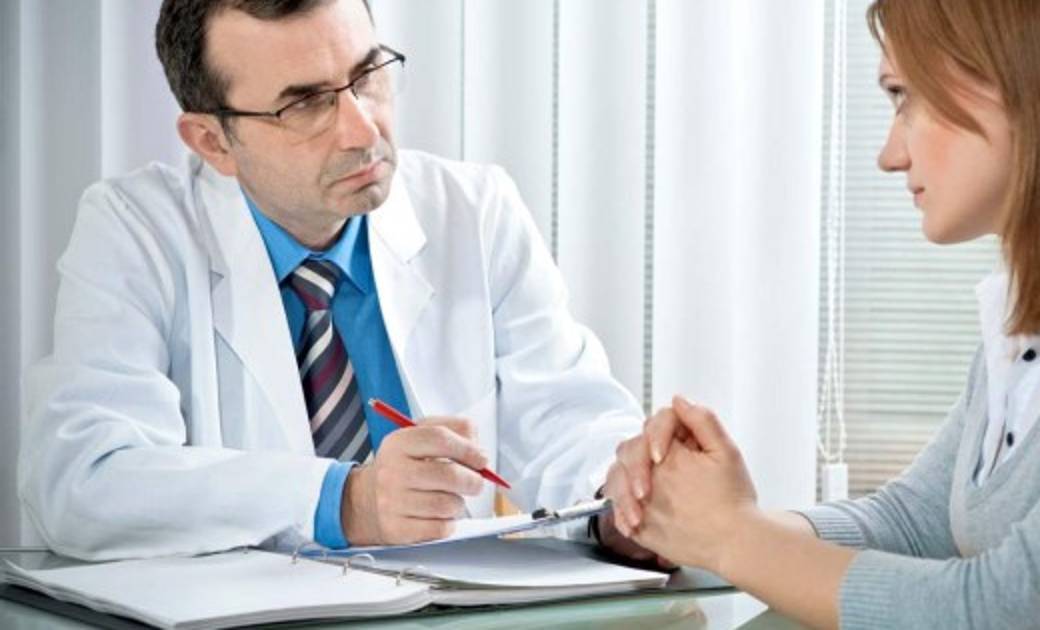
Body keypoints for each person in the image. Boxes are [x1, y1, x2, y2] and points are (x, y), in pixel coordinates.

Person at [607, 0, 1040, 627]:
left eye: (902, 96)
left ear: (1024, 79)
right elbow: (918, 522)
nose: (890, 155)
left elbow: (1010, 611)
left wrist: (731, 537)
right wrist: (694, 521)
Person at [19, 0, 650, 562]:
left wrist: (626, 501)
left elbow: (568, 421)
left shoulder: (474, 210)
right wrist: (346, 503)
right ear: (212, 142)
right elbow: (83, 483)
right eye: (305, 104)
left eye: (367, 75)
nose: (363, 130)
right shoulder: (137, 230)